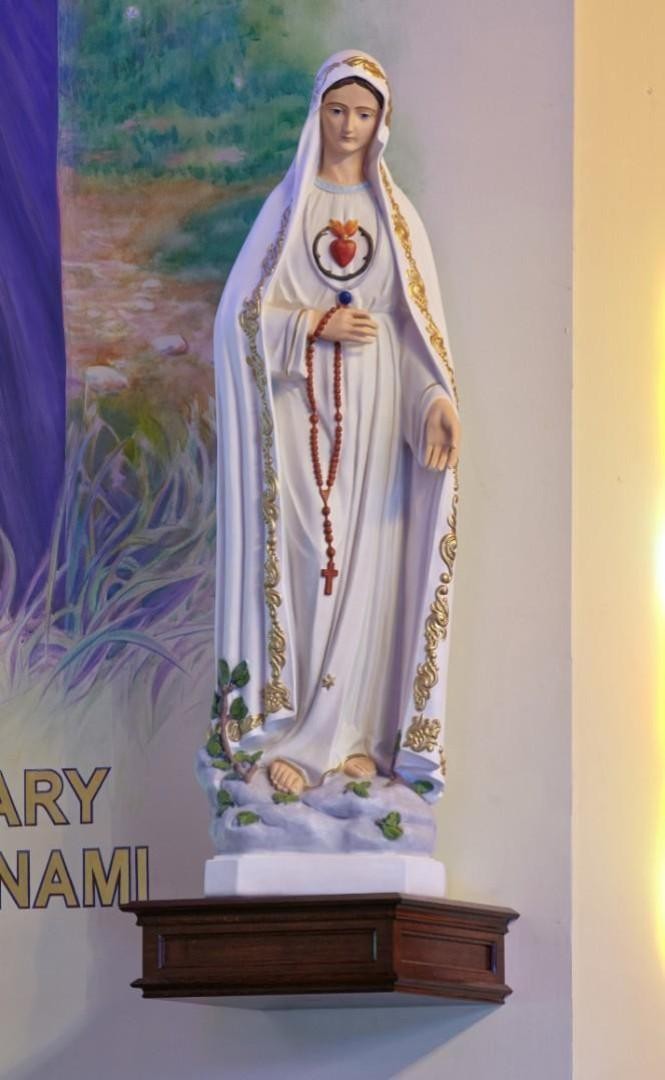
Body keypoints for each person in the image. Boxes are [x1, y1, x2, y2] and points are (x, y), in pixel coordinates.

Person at [212, 50, 460, 806]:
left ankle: (354, 738)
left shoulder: (397, 219)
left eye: (363, 113)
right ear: (317, 113)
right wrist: (314, 324)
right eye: (337, 110)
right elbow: (239, 322)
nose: (349, 126)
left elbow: (412, 335)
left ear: (381, 123)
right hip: (296, 427)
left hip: (377, 422)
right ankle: (294, 737)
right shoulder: (287, 210)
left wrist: (433, 401)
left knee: (369, 571)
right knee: (306, 562)